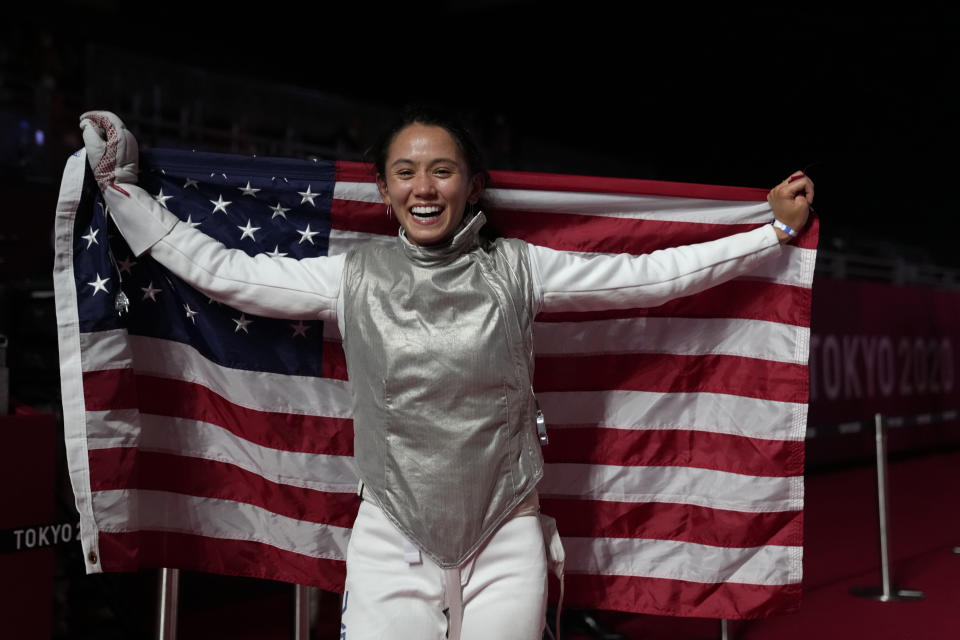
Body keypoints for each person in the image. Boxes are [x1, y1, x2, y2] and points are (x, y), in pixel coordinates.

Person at [78, 108, 813, 640]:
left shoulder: (522, 268)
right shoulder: (351, 275)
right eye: (406, 172)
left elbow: (648, 276)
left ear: (470, 184)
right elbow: (227, 272)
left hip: (506, 530)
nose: (423, 186)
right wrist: (124, 197)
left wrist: (770, 232)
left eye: (441, 169)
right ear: (388, 188)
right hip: (390, 529)